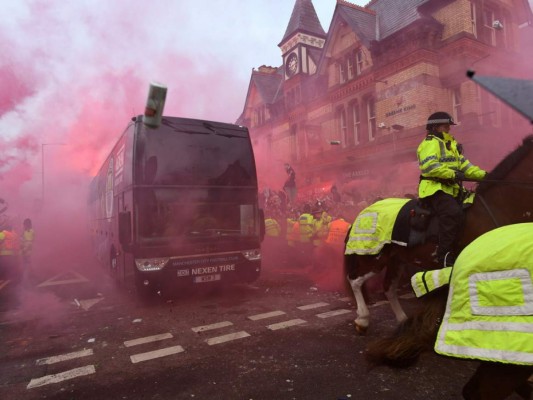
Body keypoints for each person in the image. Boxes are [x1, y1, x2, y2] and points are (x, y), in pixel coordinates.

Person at [417, 111, 486, 267]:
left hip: (451, 189)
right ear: (435, 128)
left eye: (449, 126)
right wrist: (453, 174)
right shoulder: (429, 143)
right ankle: (444, 256)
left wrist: (486, 175)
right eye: (445, 126)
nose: (448, 129)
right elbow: (430, 167)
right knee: (452, 213)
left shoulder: (452, 145)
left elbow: (466, 167)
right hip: (434, 189)